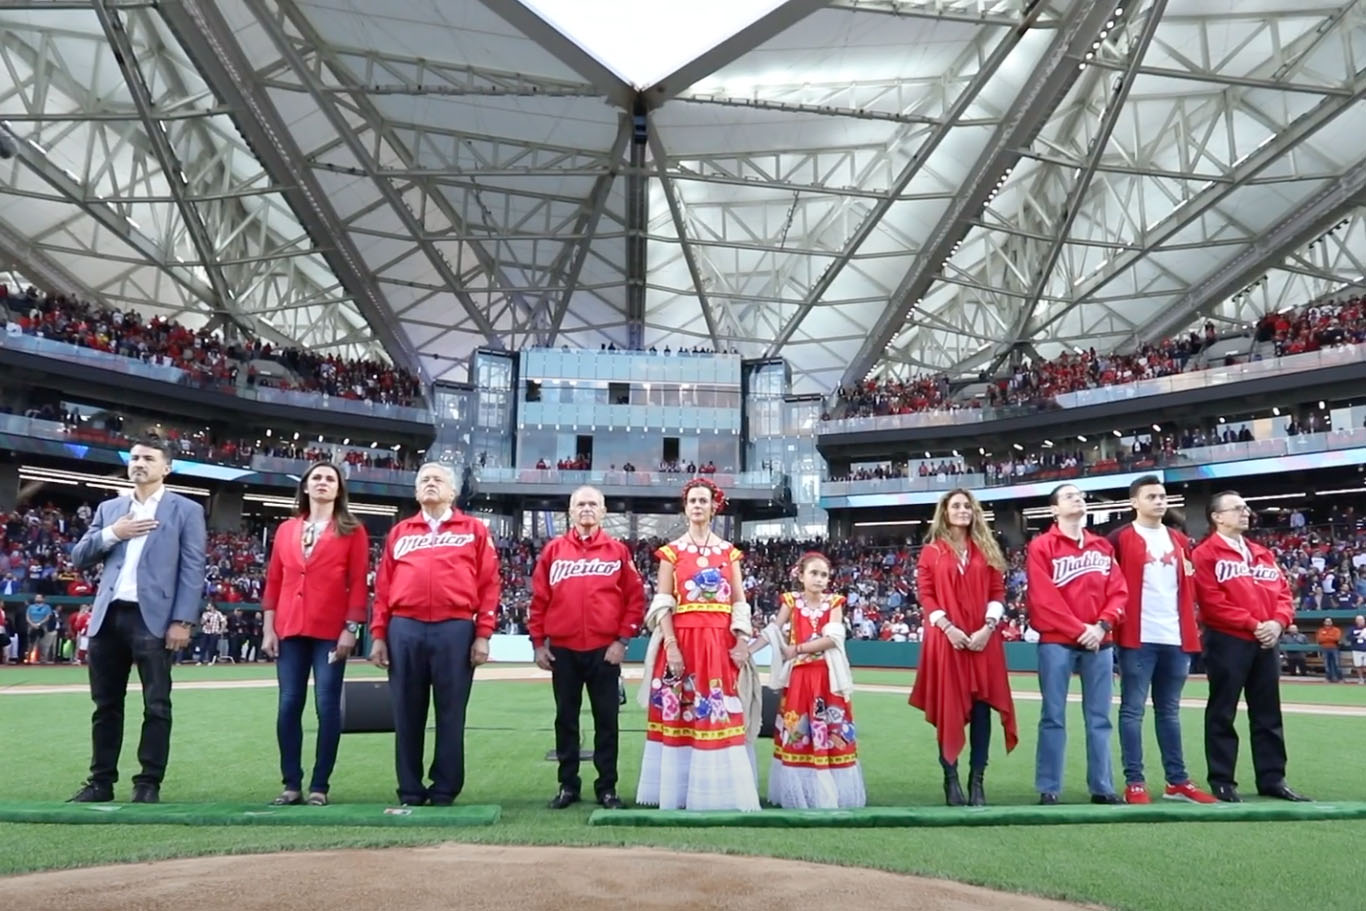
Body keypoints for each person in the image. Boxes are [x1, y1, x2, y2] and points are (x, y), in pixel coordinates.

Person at [66, 437, 207, 803]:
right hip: (108, 616)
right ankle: (100, 782)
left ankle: (148, 782)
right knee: (105, 705)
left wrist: (183, 620)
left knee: (157, 704)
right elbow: (78, 557)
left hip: (155, 620)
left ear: (166, 467)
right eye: (135, 457)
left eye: (148, 458)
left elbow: (193, 568)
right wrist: (114, 533)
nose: (139, 463)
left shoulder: (186, 510)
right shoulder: (110, 509)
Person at [370, 462, 500, 806]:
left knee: (451, 713)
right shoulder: (399, 533)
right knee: (406, 713)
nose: (430, 484)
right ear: (416, 492)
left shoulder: (473, 530)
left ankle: (445, 788)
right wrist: (379, 634)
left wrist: (483, 633)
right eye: (424, 480)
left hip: (455, 628)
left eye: (437, 479)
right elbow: (383, 588)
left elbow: (489, 584)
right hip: (404, 627)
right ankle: (410, 789)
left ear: (452, 491)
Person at [636, 477, 761, 811]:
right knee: (681, 712)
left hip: (718, 644)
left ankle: (718, 794)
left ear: (714, 506)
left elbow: (739, 602)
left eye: (703, 500)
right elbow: (663, 603)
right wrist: (672, 646)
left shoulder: (728, 553)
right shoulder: (671, 552)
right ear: (685, 506)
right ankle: (677, 794)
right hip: (683, 640)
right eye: (692, 500)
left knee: (716, 712)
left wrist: (740, 641)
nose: (697, 506)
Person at [261, 462, 371, 806]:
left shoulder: (353, 530)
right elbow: (275, 581)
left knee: (327, 706)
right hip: (289, 628)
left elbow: (357, 584)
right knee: (288, 705)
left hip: (330, 629)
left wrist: (350, 629)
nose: (323, 483)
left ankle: (320, 785)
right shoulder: (286, 530)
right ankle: (291, 783)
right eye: (317, 478)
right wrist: (268, 629)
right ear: (306, 487)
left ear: (339, 490)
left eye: (330, 479)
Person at [528, 486, 644, 810]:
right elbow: (538, 600)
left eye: (593, 503)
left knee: (607, 721)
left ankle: (607, 787)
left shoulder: (617, 551)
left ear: (604, 511)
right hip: (563, 650)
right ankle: (568, 785)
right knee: (565, 719)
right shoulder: (553, 551)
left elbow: (635, 600)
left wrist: (622, 640)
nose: (587, 509)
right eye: (581, 504)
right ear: (570, 511)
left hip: (604, 650)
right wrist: (538, 643)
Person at [1193, 490, 1308, 802]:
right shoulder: (1205, 554)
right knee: (1223, 710)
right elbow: (1211, 601)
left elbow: (1283, 593)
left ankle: (1273, 779)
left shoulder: (1262, 553)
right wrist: (1253, 624)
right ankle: (1222, 780)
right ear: (1217, 517)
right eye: (1237, 508)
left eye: (1246, 508)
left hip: (1266, 639)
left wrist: (1278, 622)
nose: (1246, 512)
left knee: (1268, 712)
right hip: (1227, 640)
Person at [1107, 476, 1214, 805]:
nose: (1159, 501)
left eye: (1162, 496)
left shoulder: (1181, 540)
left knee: (1169, 712)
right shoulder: (1119, 539)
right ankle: (1135, 782)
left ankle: (1177, 781)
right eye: (1151, 496)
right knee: (1132, 711)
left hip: (1175, 637)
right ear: (1134, 503)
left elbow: (1190, 586)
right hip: (1137, 636)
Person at [910, 488, 1017, 806]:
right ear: (944, 511)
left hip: (984, 640)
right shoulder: (931, 552)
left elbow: (997, 593)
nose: (962, 510)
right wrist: (948, 627)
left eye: (967, 506)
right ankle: (951, 779)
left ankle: (977, 782)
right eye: (956, 505)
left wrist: (988, 627)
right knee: (949, 709)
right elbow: (926, 595)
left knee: (982, 709)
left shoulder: (987, 549)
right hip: (946, 641)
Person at [1026, 483, 1127, 805]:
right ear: (1054, 509)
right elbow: (1043, 599)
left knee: (1100, 717)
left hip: (1100, 640)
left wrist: (1101, 626)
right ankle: (1049, 786)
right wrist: (1079, 629)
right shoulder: (1042, 546)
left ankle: (1102, 786)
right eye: (1070, 496)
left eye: (1081, 496)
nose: (1079, 499)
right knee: (1053, 715)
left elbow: (1119, 591)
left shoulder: (1102, 546)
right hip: (1058, 641)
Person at [762, 551, 865, 809]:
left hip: (827, 677)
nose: (819, 579)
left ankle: (828, 794)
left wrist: (795, 649)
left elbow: (833, 638)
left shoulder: (834, 603)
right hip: (800, 678)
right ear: (801, 575)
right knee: (799, 727)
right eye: (814, 573)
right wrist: (747, 650)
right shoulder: (791, 601)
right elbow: (772, 630)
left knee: (829, 726)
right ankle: (804, 794)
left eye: (824, 575)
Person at [1349, 615, 1366, 684]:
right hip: (1356, 649)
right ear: (1356, 621)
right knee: (1358, 665)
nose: (1360, 621)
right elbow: (1348, 638)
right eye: (1359, 620)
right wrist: (1357, 637)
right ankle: (1361, 679)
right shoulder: (1352, 629)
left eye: (1362, 620)